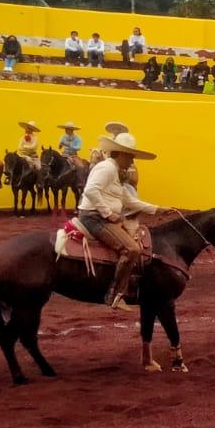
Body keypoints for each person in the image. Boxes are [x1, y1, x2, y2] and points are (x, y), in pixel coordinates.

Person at [78, 131, 160, 312]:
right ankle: (114, 294)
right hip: (94, 217)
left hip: (98, 216)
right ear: (121, 154)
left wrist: (156, 209)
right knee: (132, 249)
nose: (132, 162)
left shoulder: (114, 170)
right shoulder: (107, 168)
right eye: (131, 156)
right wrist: (107, 213)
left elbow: (129, 200)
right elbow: (90, 190)